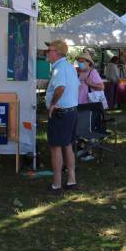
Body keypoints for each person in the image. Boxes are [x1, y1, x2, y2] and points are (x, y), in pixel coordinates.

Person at [45, 39, 80, 192]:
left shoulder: (60, 68)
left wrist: (52, 104)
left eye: (49, 50)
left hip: (61, 113)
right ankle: (71, 180)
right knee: (67, 146)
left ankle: (57, 183)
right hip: (71, 111)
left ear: (57, 53)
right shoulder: (69, 67)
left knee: (56, 147)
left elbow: (60, 88)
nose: (47, 53)